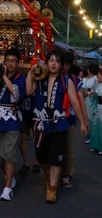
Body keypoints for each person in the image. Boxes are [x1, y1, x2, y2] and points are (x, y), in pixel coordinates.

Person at [26, 50, 88, 203]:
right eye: (51, 60)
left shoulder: (67, 82)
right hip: (41, 125)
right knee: (41, 158)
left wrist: (82, 122)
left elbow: (75, 102)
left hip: (60, 124)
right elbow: (28, 91)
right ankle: (52, 178)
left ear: (61, 65)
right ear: (46, 63)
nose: (53, 63)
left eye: (57, 61)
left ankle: (52, 189)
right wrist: (30, 72)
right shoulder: (39, 78)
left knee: (56, 158)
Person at [0, 48, 26, 201]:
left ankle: (7, 187)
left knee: (9, 154)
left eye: (13, 61)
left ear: (18, 63)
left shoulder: (20, 79)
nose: (10, 63)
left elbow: (16, 96)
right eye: (7, 60)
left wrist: (4, 76)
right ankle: (9, 177)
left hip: (13, 120)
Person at [61, 52, 89, 188]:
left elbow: (80, 101)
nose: (64, 67)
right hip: (52, 119)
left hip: (70, 118)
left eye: (67, 64)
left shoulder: (74, 80)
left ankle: (66, 174)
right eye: (63, 63)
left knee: (69, 148)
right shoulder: (50, 76)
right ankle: (51, 174)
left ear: (70, 65)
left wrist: (84, 120)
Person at [82, 63, 99, 144]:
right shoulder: (92, 78)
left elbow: (90, 87)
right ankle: (90, 137)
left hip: (91, 99)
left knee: (91, 119)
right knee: (88, 118)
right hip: (88, 98)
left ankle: (93, 137)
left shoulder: (95, 78)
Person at [90, 68, 102, 154]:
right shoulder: (99, 84)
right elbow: (95, 93)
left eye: (99, 75)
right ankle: (96, 145)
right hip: (98, 106)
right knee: (96, 126)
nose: (98, 77)